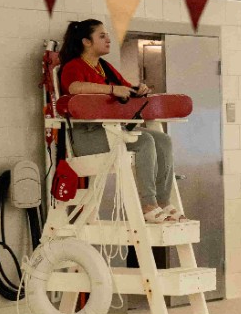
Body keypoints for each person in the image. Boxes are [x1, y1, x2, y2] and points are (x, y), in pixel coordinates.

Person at [58, 19, 185, 223]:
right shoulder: (73, 66)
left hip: (113, 131)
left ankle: (163, 201)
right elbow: (74, 88)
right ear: (86, 42)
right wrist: (111, 89)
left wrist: (138, 89)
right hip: (87, 137)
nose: (108, 39)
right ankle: (148, 204)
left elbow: (125, 88)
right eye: (101, 36)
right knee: (144, 141)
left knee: (163, 140)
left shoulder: (105, 68)